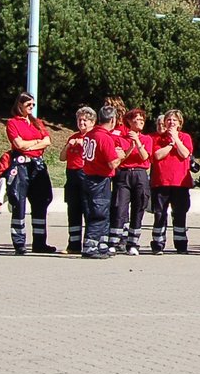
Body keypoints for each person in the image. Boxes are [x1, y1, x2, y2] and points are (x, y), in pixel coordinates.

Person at [5, 92, 56, 254]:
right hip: (21, 167)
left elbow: (47, 141)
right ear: (19, 105)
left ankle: (40, 242)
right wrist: (36, 143)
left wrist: (31, 146)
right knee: (18, 203)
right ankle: (19, 243)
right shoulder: (13, 123)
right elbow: (18, 144)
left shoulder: (37, 122)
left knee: (41, 202)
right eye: (28, 105)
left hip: (37, 166)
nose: (31, 108)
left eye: (33, 105)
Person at [78, 106, 125, 259]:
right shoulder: (104, 137)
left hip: (88, 176)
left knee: (98, 212)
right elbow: (112, 163)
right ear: (112, 120)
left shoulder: (90, 134)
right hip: (99, 178)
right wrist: (120, 155)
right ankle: (90, 246)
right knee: (99, 213)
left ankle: (101, 244)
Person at [150, 109, 195, 254]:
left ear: (179, 123)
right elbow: (157, 155)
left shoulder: (186, 137)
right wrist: (170, 144)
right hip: (161, 181)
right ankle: (157, 243)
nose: (171, 122)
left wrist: (176, 139)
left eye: (174, 120)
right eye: (169, 120)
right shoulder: (157, 138)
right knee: (160, 214)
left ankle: (181, 243)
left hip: (180, 183)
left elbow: (185, 154)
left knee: (180, 213)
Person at [111, 109, 154, 255]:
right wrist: (130, 146)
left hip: (140, 174)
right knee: (119, 207)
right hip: (124, 174)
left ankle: (133, 243)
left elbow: (144, 157)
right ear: (129, 121)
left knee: (139, 207)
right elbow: (121, 157)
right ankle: (114, 242)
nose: (140, 121)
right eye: (137, 119)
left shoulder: (147, 139)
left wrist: (137, 141)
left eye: (142, 119)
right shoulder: (120, 138)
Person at [62, 109, 93, 253]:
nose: (81, 123)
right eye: (79, 120)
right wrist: (69, 145)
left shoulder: (93, 138)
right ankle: (73, 244)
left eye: (84, 120)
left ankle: (89, 244)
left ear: (92, 122)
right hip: (71, 175)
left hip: (85, 175)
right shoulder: (73, 137)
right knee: (73, 210)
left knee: (88, 210)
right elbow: (62, 157)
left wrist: (84, 145)